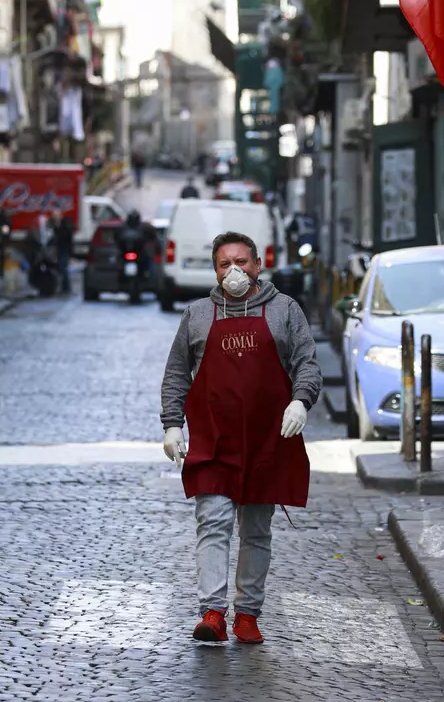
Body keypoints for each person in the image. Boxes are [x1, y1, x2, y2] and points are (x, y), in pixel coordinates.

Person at [160, 230, 322, 644]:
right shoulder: (196, 315)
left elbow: (307, 363)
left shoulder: (284, 310)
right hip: (214, 441)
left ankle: (247, 614)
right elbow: (178, 372)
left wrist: (300, 401)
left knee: (256, 530)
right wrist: (171, 424)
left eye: (242, 262)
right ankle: (212, 612)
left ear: (258, 265)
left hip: (268, 441)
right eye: (224, 264)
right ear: (215, 271)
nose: (234, 271)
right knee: (212, 524)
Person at [50, 210, 74, 295]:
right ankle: (65, 287)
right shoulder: (53, 225)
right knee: (62, 268)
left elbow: (65, 236)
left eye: (56, 216)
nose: (55, 218)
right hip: (59, 250)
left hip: (64, 250)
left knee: (63, 268)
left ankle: (66, 288)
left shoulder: (65, 225)